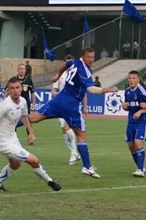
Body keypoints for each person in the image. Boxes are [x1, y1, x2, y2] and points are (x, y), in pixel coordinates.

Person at [29, 47, 119, 179]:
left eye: (93, 57)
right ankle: (87, 167)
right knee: (81, 134)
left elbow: (64, 64)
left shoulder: (75, 62)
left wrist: (58, 76)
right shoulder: (85, 71)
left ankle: (9, 121)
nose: (91, 60)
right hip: (71, 105)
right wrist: (108, 90)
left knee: (34, 117)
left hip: (60, 98)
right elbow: (91, 89)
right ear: (83, 57)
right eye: (88, 57)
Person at [0, 78, 61, 192]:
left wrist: (30, 131)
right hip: (2, 142)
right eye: (12, 88)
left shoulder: (23, 101)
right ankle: (50, 181)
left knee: (15, 165)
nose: (15, 90)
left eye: (17, 87)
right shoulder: (5, 105)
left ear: (21, 88)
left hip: (12, 137)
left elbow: (25, 116)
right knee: (33, 160)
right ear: (8, 90)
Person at [51, 55, 81, 165]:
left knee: (67, 127)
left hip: (71, 104)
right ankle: (74, 152)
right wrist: (55, 94)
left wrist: (85, 106)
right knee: (64, 131)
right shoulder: (61, 75)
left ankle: (74, 152)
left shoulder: (76, 74)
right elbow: (53, 89)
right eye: (67, 62)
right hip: (61, 104)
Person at [122, 70, 146, 177]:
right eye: (130, 78)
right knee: (131, 146)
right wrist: (125, 107)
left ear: (138, 79)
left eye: (134, 78)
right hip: (131, 122)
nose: (131, 80)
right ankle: (141, 167)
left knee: (138, 143)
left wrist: (140, 111)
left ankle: (140, 169)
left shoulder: (141, 90)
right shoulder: (127, 91)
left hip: (142, 122)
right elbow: (128, 106)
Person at [4, 64, 36, 144]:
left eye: (23, 69)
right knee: (13, 119)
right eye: (20, 69)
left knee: (27, 120)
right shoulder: (13, 80)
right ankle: (12, 138)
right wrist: (5, 100)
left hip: (25, 104)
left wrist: (33, 102)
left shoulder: (28, 80)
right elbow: (6, 90)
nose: (22, 70)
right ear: (18, 70)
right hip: (14, 103)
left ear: (25, 70)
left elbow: (32, 92)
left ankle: (30, 138)